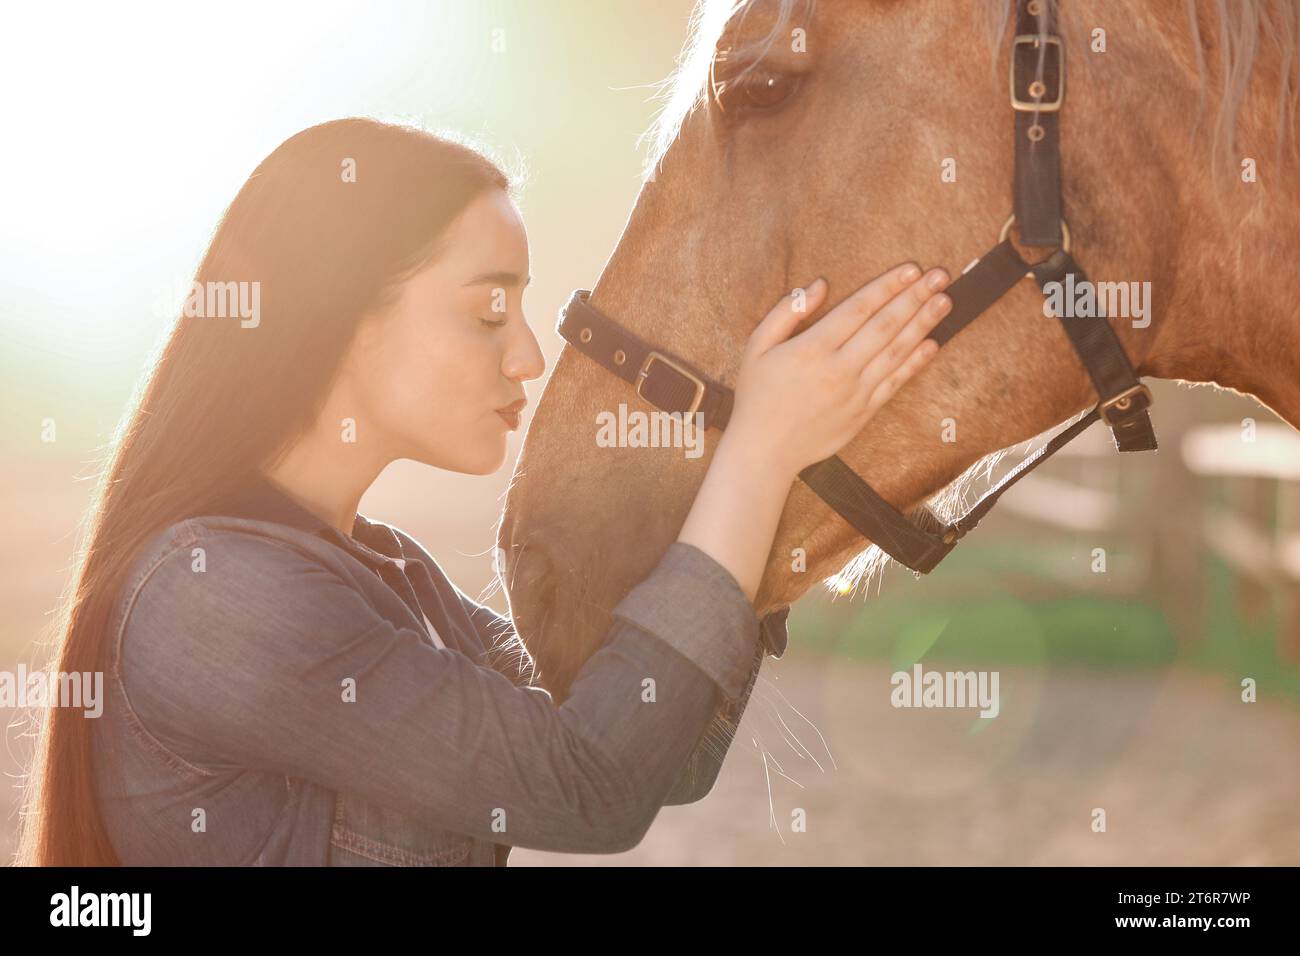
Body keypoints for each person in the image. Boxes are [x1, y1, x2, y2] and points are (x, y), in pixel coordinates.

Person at [16, 118, 952, 866]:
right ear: (340, 312)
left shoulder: (393, 579)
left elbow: (660, 751)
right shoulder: (216, 596)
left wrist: (777, 467)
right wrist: (757, 453)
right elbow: (592, 785)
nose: (530, 355)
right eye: (486, 311)